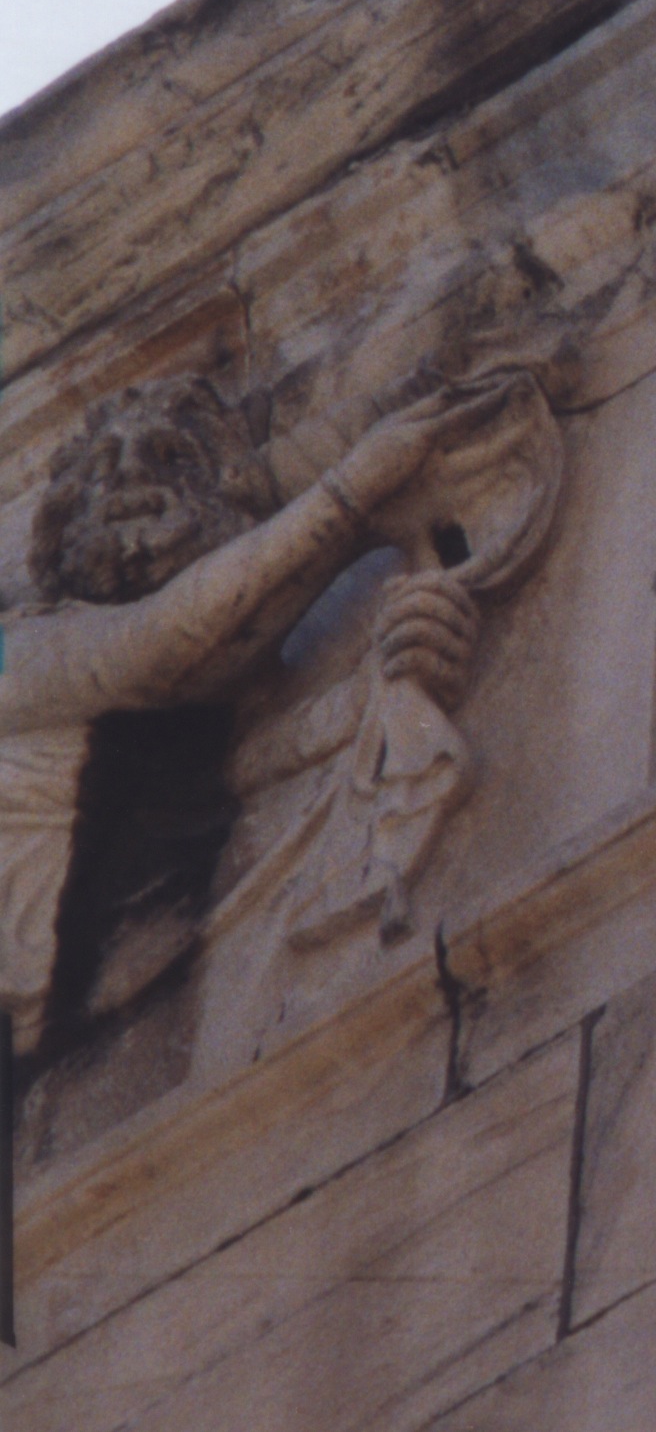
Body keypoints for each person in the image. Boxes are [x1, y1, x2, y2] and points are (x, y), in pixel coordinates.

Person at [1, 373, 518, 1050]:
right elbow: (165, 644)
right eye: (102, 470)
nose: (131, 478)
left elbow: (249, 770)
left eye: (167, 456)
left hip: (127, 957)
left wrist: (391, 674)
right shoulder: (18, 649)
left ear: (224, 495)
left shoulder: (207, 702)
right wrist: (355, 488)